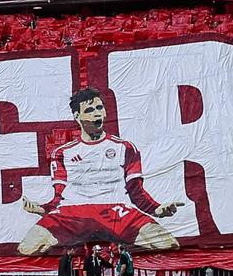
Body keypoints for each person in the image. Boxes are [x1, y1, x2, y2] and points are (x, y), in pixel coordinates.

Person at [19, 88, 183, 255]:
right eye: (89, 110)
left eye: (99, 108)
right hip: (72, 213)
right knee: (27, 249)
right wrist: (41, 209)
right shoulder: (62, 153)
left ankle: (120, 257)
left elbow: (136, 191)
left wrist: (157, 209)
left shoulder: (124, 147)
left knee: (168, 244)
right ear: (77, 116)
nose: (96, 113)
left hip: (115, 212)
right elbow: (58, 197)